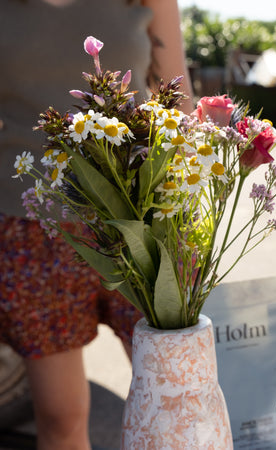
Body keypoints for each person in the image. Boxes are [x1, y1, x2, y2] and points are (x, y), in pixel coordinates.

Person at [0, 0, 194, 449]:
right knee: (61, 416)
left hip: (143, 219)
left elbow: (177, 97)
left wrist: (185, 206)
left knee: (177, 403)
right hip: (32, 226)